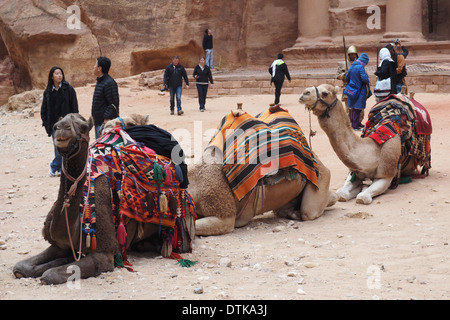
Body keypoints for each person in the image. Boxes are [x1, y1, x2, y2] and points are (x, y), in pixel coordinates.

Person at [40, 66, 79, 176]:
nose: (59, 75)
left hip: (67, 125)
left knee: (66, 147)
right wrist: (46, 122)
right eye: (57, 74)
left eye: (61, 73)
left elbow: (74, 107)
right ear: (52, 76)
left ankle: (61, 168)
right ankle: (55, 166)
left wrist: (74, 121)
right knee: (58, 147)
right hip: (54, 126)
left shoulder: (69, 89)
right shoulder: (48, 92)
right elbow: (44, 110)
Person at [92, 56, 119, 139]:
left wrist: (107, 118)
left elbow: (113, 103)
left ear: (99, 68)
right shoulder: (101, 81)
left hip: (105, 123)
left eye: (95, 65)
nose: (93, 67)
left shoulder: (109, 83)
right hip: (99, 121)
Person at [344, 53, 370, 130]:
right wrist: (367, 81)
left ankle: (352, 125)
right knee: (357, 109)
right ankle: (355, 126)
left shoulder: (352, 66)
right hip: (359, 90)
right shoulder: (360, 67)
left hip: (352, 90)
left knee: (353, 109)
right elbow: (364, 79)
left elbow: (346, 78)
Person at [336, 45, 359, 119]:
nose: (353, 56)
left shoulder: (359, 63)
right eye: (351, 54)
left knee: (358, 107)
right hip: (348, 87)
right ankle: (348, 123)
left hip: (357, 88)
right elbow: (337, 76)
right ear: (349, 55)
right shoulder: (343, 64)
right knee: (348, 108)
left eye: (354, 54)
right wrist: (344, 74)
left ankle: (357, 123)